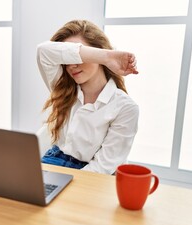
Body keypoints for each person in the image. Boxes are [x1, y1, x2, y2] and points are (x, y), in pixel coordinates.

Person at [36, 19, 139, 174]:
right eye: (68, 59)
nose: (71, 65)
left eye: (77, 57)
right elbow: (43, 51)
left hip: (89, 174)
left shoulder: (125, 108)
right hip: (52, 161)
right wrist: (106, 57)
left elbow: (103, 167)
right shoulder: (63, 88)